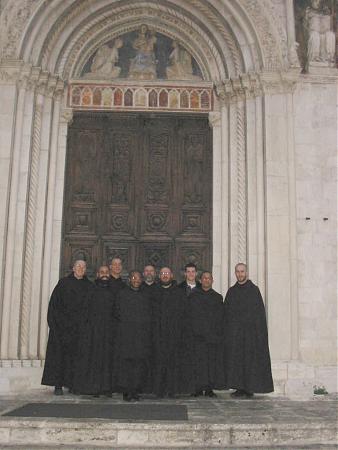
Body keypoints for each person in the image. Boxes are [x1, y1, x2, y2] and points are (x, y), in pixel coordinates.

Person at [41, 260, 93, 395]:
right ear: (73, 268)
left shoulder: (90, 286)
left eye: (83, 267)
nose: (81, 268)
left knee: (77, 358)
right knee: (60, 358)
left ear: (86, 269)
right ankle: (58, 385)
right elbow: (54, 305)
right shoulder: (63, 283)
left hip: (81, 330)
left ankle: (73, 384)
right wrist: (56, 325)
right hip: (62, 329)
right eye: (78, 266)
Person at [223, 263, 274, 398]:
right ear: (235, 273)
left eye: (242, 271)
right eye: (238, 272)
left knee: (249, 361)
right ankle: (239, 387)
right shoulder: (231, 291)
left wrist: (257, 334)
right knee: (237, 361)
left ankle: (249, 388)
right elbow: (227, 314)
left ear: (246, 272)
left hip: (250, 335)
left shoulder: (254, 290)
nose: (240, 274)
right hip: (235, 335)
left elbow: (259, 314)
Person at [72, 265, 116, 396]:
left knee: (108, 361)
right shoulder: (90, 290)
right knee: (94, 360)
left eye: (107, 272)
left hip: (109, 333)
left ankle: (107, 388)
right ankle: (94, 387)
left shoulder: (114, 291)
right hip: (93, 333)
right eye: (102, 272)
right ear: (97, 274)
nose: (104, 274)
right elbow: (85, 311)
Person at [152, 267, 193, 397]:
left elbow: (185, 314)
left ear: (172, 276)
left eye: (167, 273)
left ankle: (173, 390)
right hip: (158, 335)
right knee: (158, 364)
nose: (165, 275)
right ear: (159, 276)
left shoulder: (179, 293)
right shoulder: (154, 292)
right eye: (163, 273)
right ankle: (158, 390)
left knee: (173, 364)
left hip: (174, 335)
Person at [114, 271, 152, 401]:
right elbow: (117, 313)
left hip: (141, 337)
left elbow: (149, 315)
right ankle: (126, 390)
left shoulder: (146, 295)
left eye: (138, 278)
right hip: (126, 336)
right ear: (129, 279)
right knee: (125, 365)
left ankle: (135, 390)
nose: (136, 280)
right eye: (134, 278)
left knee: (138, 365)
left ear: (141, 280)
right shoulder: (122, 294)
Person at [189, 271, 225, 397]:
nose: (206, 280)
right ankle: (198, 387)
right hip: (197, 337)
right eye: (204, 278)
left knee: (211, 364)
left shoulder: (217, 297)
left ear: (212, 281)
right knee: (198, 363)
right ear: (201, 280)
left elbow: (220, 318)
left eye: (209, 278)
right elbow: (190, 316)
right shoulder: (193, 296)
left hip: (212, 337)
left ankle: (209, 388)